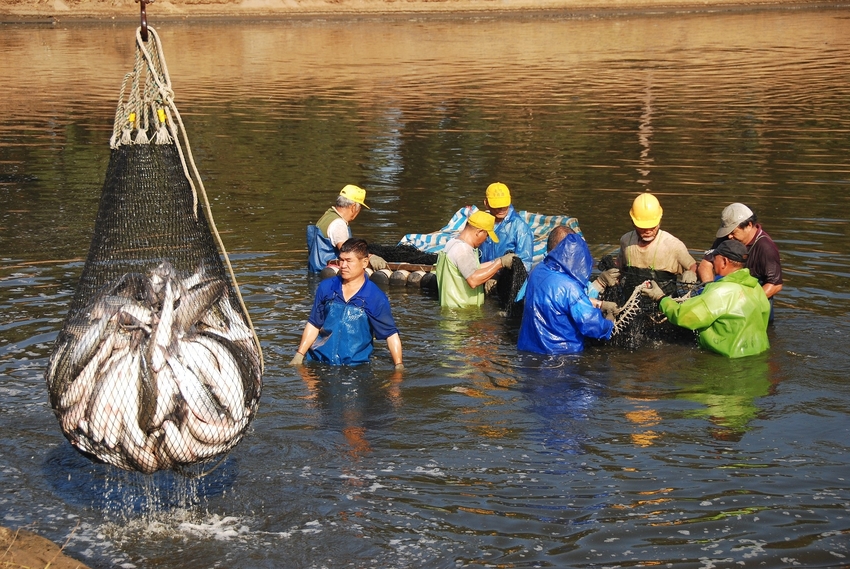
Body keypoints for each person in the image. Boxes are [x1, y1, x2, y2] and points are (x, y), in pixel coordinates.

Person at [642, 240, 770, 358]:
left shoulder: (721, 292)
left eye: (715, 258)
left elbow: (684, 316)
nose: (713, 262)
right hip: (758, 353)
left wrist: (660, 298)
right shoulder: (756, 288)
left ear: (724, 261)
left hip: (726, 359)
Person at [290, 238, 403, 367]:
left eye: (349, 261)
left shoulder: (375, 296)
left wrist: (399, 366)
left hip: (355, 367)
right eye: (341, 260)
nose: (343, 266)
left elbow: (390, 334)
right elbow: (314, 324)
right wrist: (299, 356)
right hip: (319, 363)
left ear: (364, 262)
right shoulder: (327, 287)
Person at [517, 227, 615, 355]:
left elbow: (556, 301)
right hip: (562, 355)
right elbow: (590, 324)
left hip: (527, 350)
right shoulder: (570, 287)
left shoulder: (537, 271)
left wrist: (599, 304)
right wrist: (609, 325)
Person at [697, 203, 782, 320]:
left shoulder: (766, 247)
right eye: (727, 232)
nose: (730, 236)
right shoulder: (726, 238)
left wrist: (744, 302)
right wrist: (709, 292)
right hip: (727, 295)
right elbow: (706, 264)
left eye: (733, 232)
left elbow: (775, 285)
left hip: (755, 302)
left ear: (749, 225)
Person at [435, 210, 517, 308]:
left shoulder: (453, 243)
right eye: (486, 235)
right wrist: (500, 263)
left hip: (452, 310)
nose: (486, 239)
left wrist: (497, 261)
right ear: (479, 232)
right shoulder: (462, 250)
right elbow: (473, 280)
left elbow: (469, 268)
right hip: (461, 313)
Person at [618, 193, 698, 294]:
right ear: (633, 222)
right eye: (643, 227)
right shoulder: (626, 241)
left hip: (664, 300)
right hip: (630, 299)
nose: (648, 231)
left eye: (652, 227)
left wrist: (691, 273)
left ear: (659, 221)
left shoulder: (673, 245)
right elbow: (619, 266)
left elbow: (692, 265)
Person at [306, 184, 387, 273]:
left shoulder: (327, 216)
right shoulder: (339, 224)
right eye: (360, 208)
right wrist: (370, 257)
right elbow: (349, 252)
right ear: (353, 207)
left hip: (314, 272)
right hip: (329, 274)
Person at [478, 182, 534, 272]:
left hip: (505, 280)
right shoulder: (480, 222)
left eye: (504, 205)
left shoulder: (520, 227)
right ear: (486, 203)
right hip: (481, 275)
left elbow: (525, 264)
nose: (502, 209)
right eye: (497, 206)